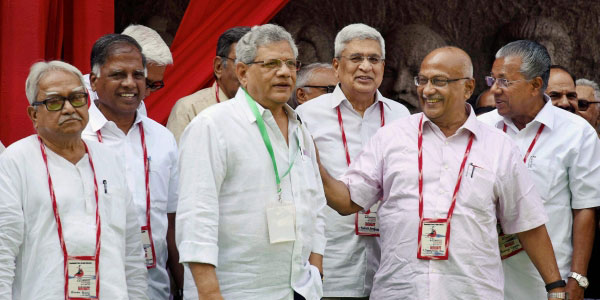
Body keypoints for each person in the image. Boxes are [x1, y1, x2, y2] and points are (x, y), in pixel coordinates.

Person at [318, 46, 566, 300]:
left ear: (468, 88)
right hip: (401, 291)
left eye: (439, 81)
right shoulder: (391, 138)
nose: (427, 90)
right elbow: (348, 200)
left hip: (470, 292)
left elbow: (528, 223)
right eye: (422, 80)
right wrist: (314, 163)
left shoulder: (499, 147)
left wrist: (555, 287)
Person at [176, 24, 326, 300]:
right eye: (271, 63)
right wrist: (209, 293)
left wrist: (315, 266)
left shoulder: (299, 128)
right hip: (238, 291)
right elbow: (196, 218)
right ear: (243, 73)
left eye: (290, 63)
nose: (284, 72)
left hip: (300, 288)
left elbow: (315, 204)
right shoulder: (212, 126)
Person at [0, 60, 148, 299]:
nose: (69, 108)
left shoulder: (108, 160)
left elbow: (132, 251)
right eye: (55, 101)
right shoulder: (15, 162)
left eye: (77, 98)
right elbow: (2, 249)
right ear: (33, 114)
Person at [295, 23, 410, 300]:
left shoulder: (402, 116)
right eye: (356, 58)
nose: (366, 67)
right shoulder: (306, 116)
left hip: (390, 267)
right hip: (331, 265)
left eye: (374, 59)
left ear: (383, 67)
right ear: (336, 66)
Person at [479, 39, 600, 300]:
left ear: (535, 85)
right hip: (484, 278)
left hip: (547, 282)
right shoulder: (480, 128)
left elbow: (585, 208)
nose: (496, 90)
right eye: (492, 81)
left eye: (505, 82)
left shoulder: (576, 133)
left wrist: (577, 278)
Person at [82, 34, 181, 300]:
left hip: (153, 289)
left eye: (138, 75)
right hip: (91, 288)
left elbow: (171, 222)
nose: (130, 83)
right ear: (94, 81)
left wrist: (184, 288)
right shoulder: (77, 137)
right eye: (118, 74)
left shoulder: (162, 139)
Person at [167, 26, 250, 143]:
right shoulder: (189, 109)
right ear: (219, 67)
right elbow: (181, 160)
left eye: (256, 63)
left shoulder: (269, 109)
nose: (250, 72)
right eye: (240, 63)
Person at [84, 24, 173, 116]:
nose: (147, 93)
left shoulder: (138, 105)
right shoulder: (75, 97)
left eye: (154, 85)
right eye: (144, 80)